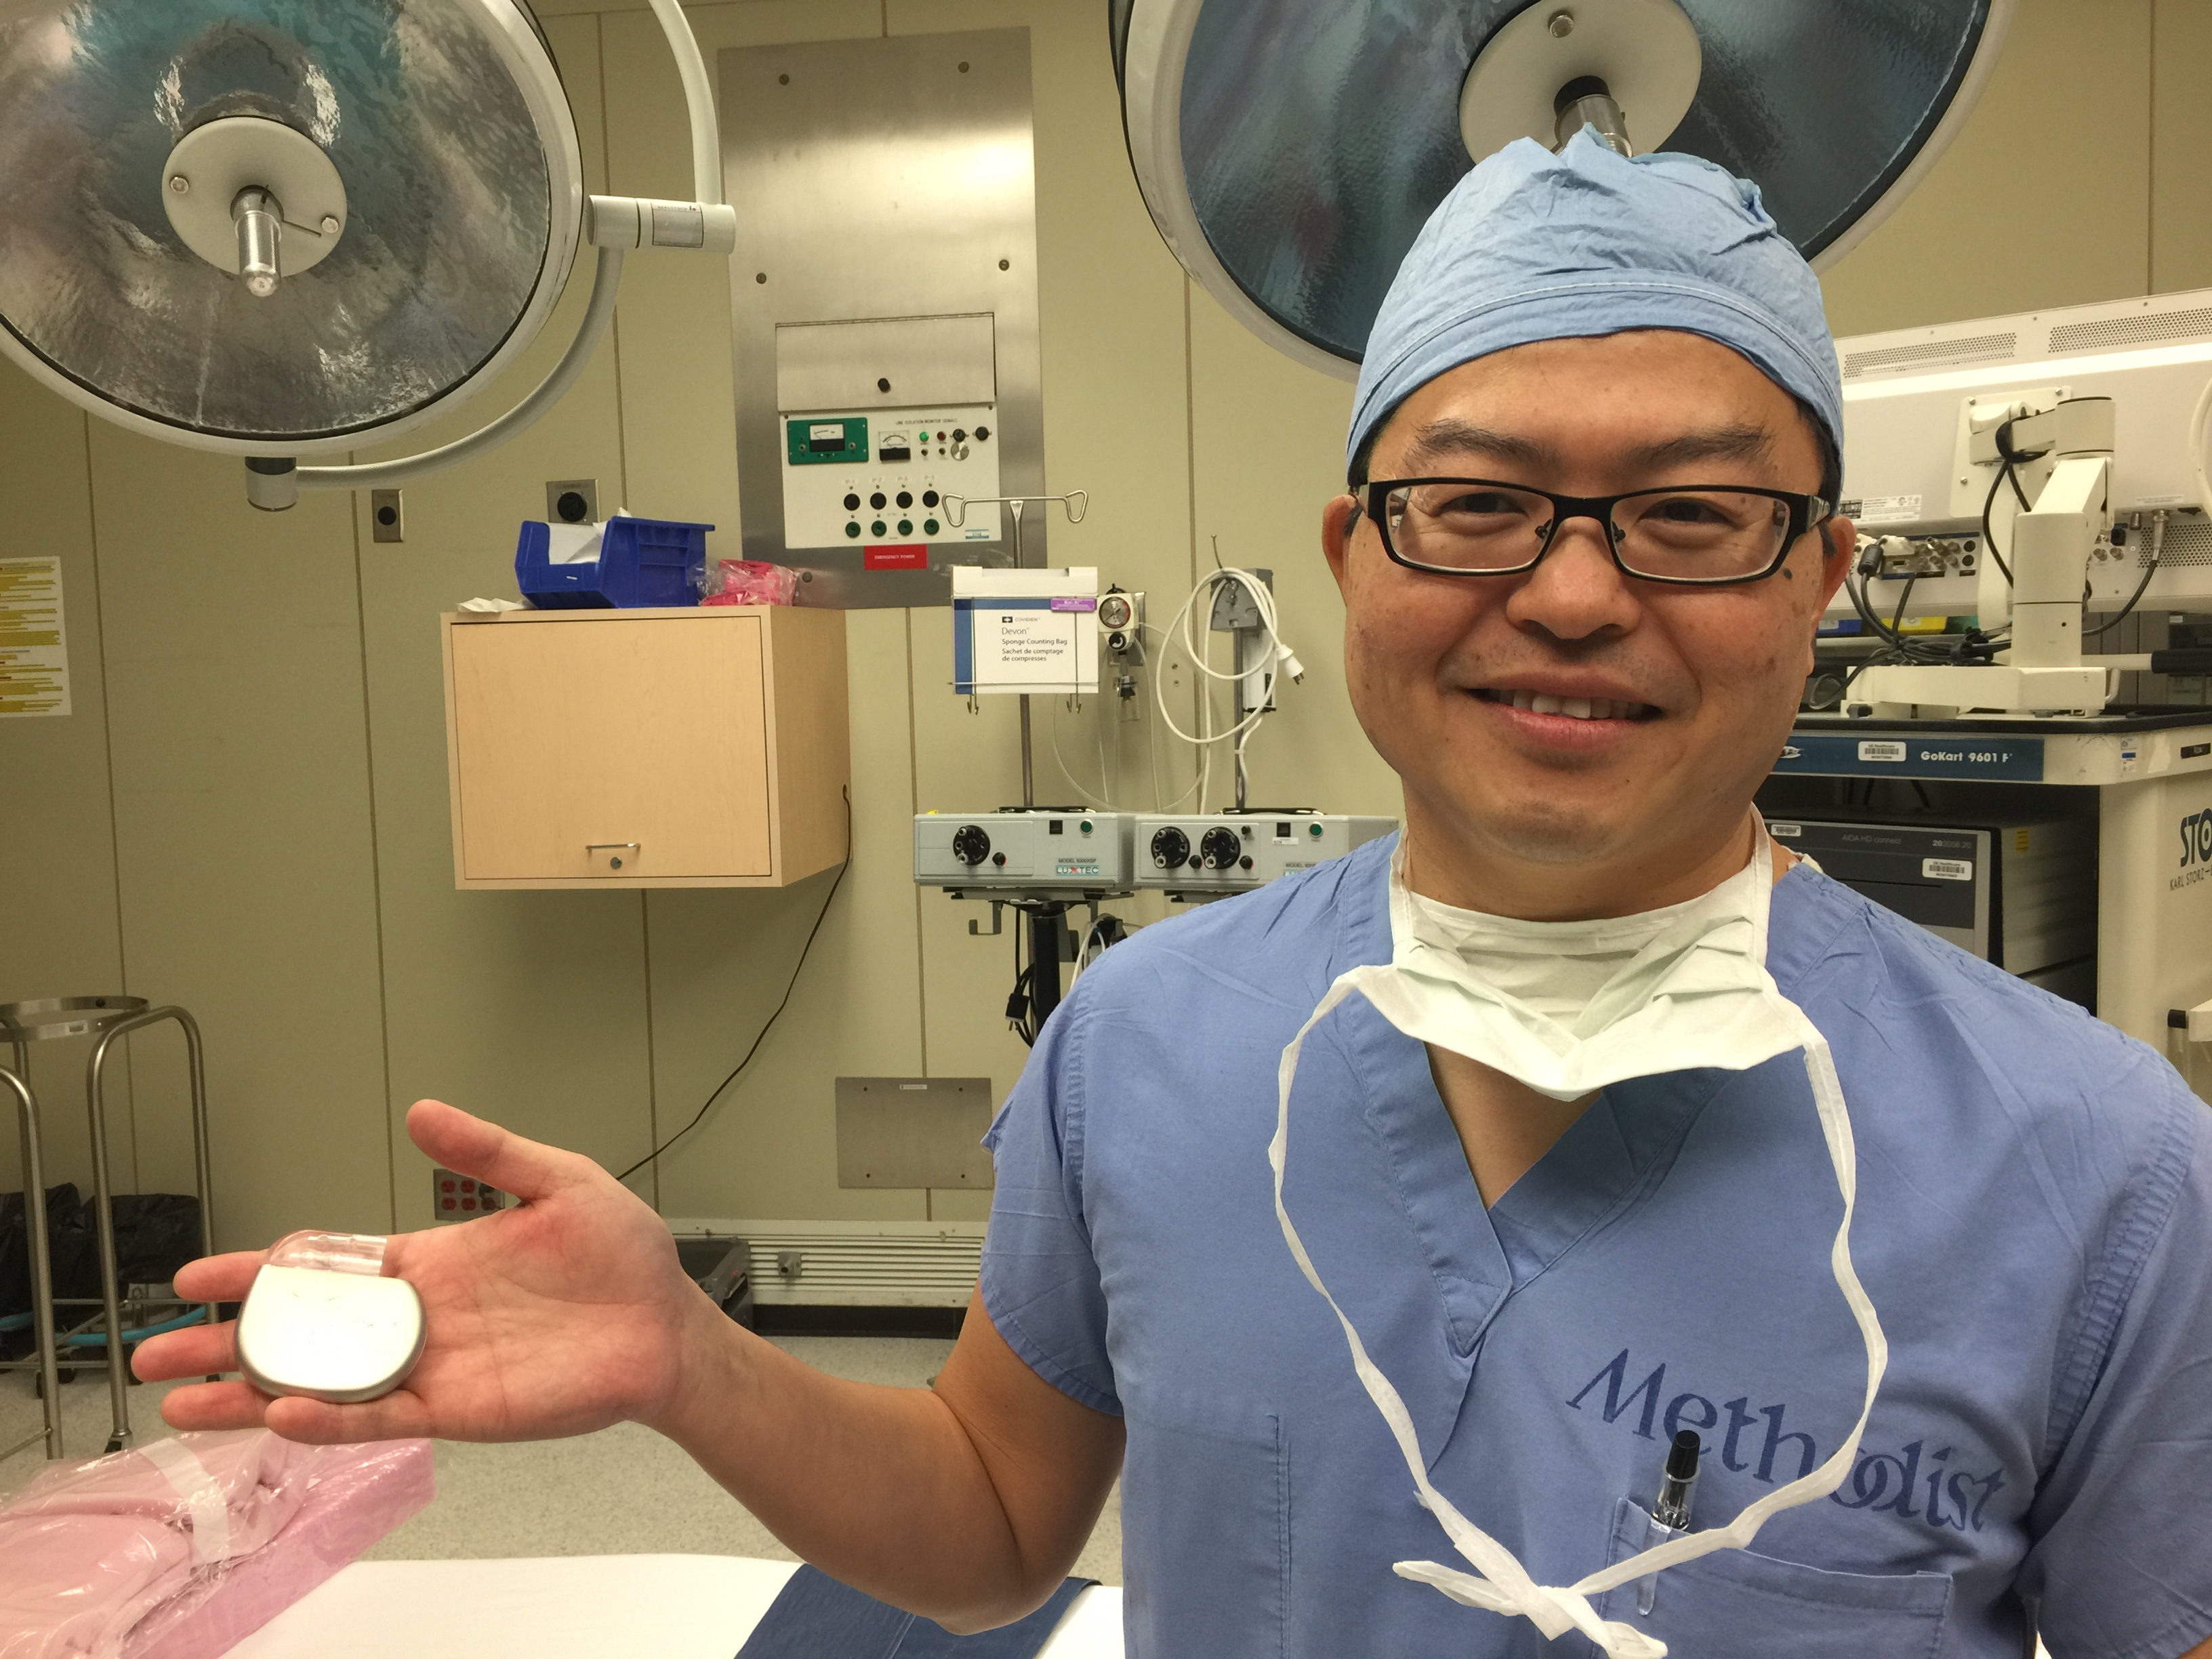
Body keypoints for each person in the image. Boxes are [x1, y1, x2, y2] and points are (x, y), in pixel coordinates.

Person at [138, 133, 2212, 1658]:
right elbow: (987, 1529)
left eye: (1692, 515)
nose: (1574, 594)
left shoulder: (2095, 1175)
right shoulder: (1149, 1046)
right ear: (1350, 555)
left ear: (1824, 577)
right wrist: (694, 1360)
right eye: (1476, 504)